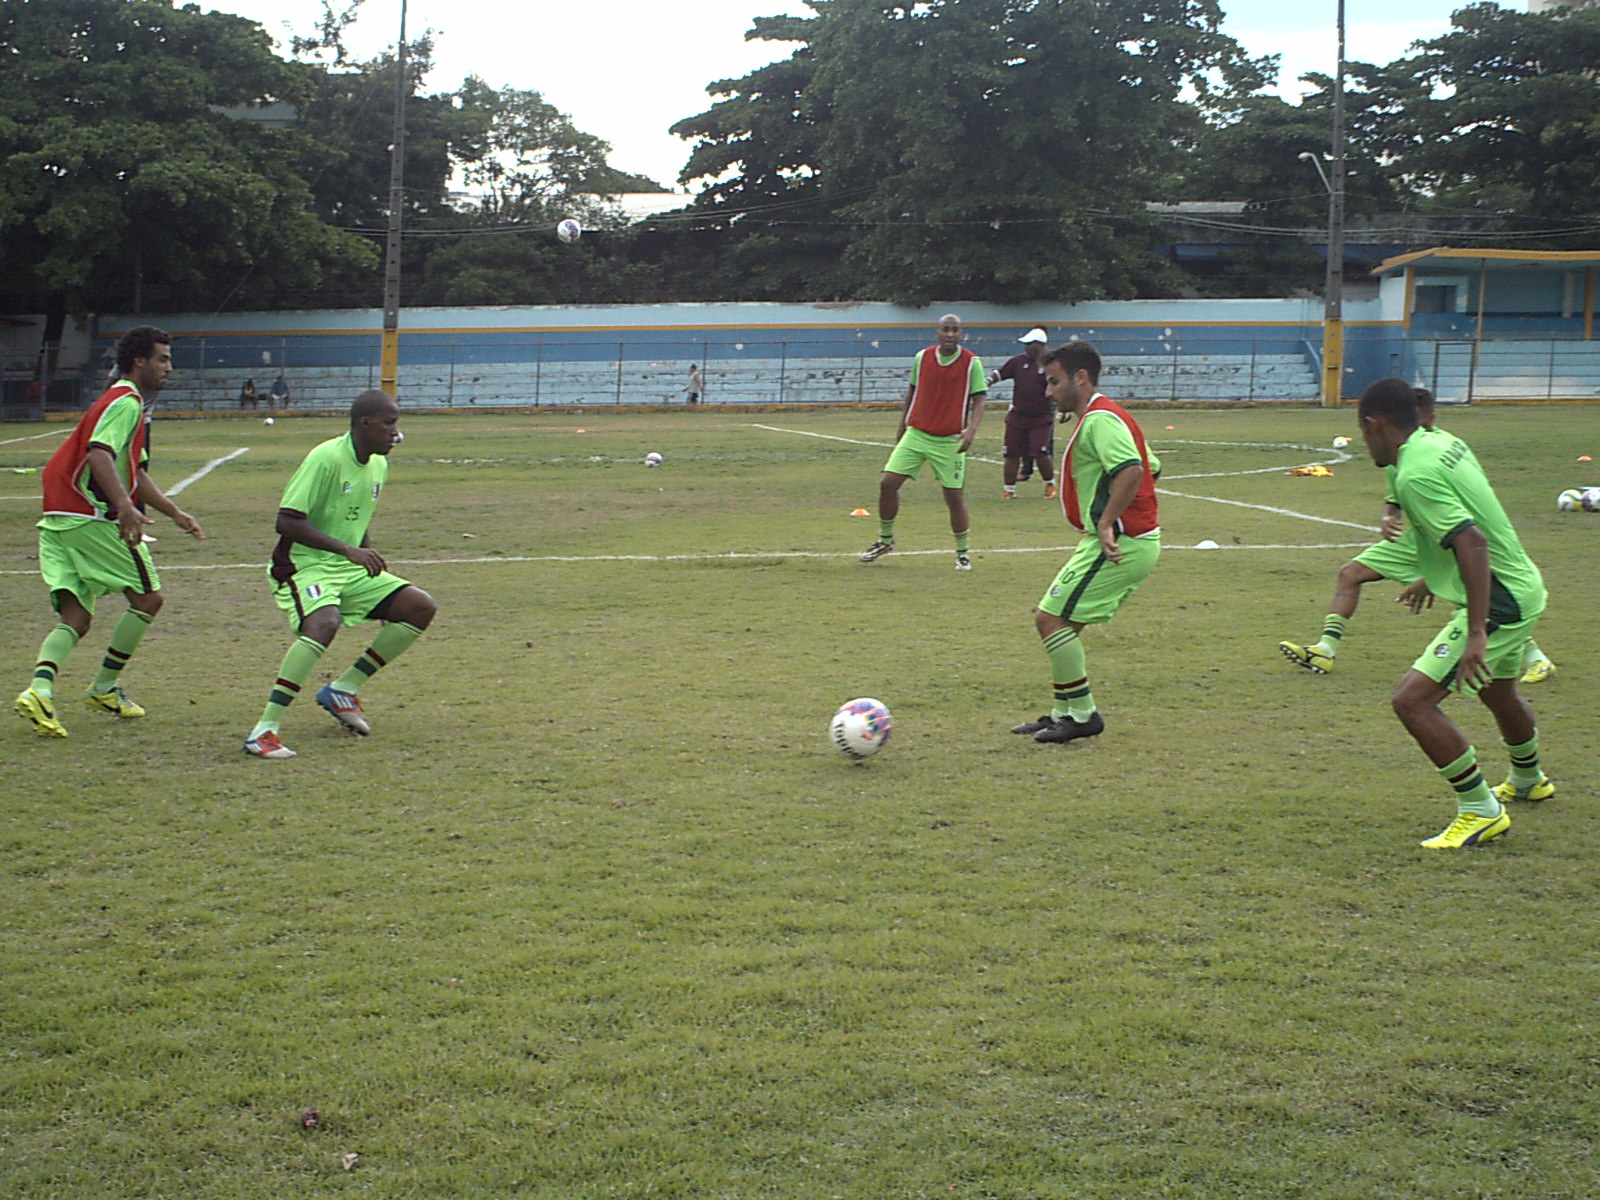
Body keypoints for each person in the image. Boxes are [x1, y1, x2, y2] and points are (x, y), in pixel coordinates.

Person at [1354, 377, 1552, 849]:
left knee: (1413, 701)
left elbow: (1472, 540)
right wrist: (1433, 576)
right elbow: (1472, 519)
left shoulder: (1413, 473)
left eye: (1363, 434)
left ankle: (1480, 809)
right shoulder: (1443, 443)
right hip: (1522, 583)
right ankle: (1529, 779)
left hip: (1500, 601)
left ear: (1374, 425)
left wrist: (1477, 631)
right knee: (1500, 694)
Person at [1279, 387, 1557, 681]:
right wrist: (1389, 517)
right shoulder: (1401, 455)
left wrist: (1433, 576)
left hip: (1455, 537)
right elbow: (1396, 498)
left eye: (1428, 416)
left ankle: (1534, 657)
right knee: (1351, 573)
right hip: (1422, 538)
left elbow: (1469, 531)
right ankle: (1325, 649)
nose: (1426, 422)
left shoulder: (1437, 449)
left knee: (1475, 604)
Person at [13, 326, 204, 738]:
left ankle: (39, 691)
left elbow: (134, 472)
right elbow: (99, 454)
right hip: (88, 517)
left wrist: (173, 512)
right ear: (140, 362)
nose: (169, 368)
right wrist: (124, 508)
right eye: (163, 359)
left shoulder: (116, 400)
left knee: (76, 616)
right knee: (149, 598)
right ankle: (103, 688)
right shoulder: (126, 402)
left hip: (58, 518)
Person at [243, 389, 437, 759]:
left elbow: (356, 520)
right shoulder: (326, 458)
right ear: (365, 424)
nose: (396, 433)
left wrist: (369, 564)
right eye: (389, 423)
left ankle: (343, 689)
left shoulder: (379, 463)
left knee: (418, 606)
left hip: (345, 568)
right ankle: (264, 730)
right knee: (323, 624)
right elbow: (286, 522)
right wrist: (349, 551)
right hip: (303, 566)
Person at [1012, 341, 1160, 744]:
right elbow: (1153, 467)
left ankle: (1083, 715)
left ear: (1081, 378)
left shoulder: (1100, 420)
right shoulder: (1107, 415)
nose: (1048, 392)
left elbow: (1131, 469)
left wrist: (1110, 521)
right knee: (1061, 624)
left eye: (1054, 382)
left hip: (1119, 544)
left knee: (1049, 619)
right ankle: (1064, 712)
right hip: (1116, 539)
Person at [858, 313, 987, 571]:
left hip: (950, 439)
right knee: (887, 483)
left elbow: (980, 398)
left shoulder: (972, 363)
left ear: (961, 334)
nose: (950, 334)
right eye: (945, 329)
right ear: (937, 333)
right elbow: (912, 391)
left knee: (954, 496)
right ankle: (885, 540)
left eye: (955, 330)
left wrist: (971, 430)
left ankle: (962, 553)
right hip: (917, 433)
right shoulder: (922, 357)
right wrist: (902, 426)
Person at [988, 326, 1057, 500]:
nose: (1025, 347)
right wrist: (987, 381)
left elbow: (1060, 384)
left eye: (1029, 343)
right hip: (1017, 416)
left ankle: (1050, 485)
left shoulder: (1051, 364)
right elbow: (1000, 373)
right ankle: (1009, 490)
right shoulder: (1019, 361)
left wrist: (1063, 407)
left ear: (1040, 345)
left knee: (1040, 451)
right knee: (1011, 453)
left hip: (1041, 417)